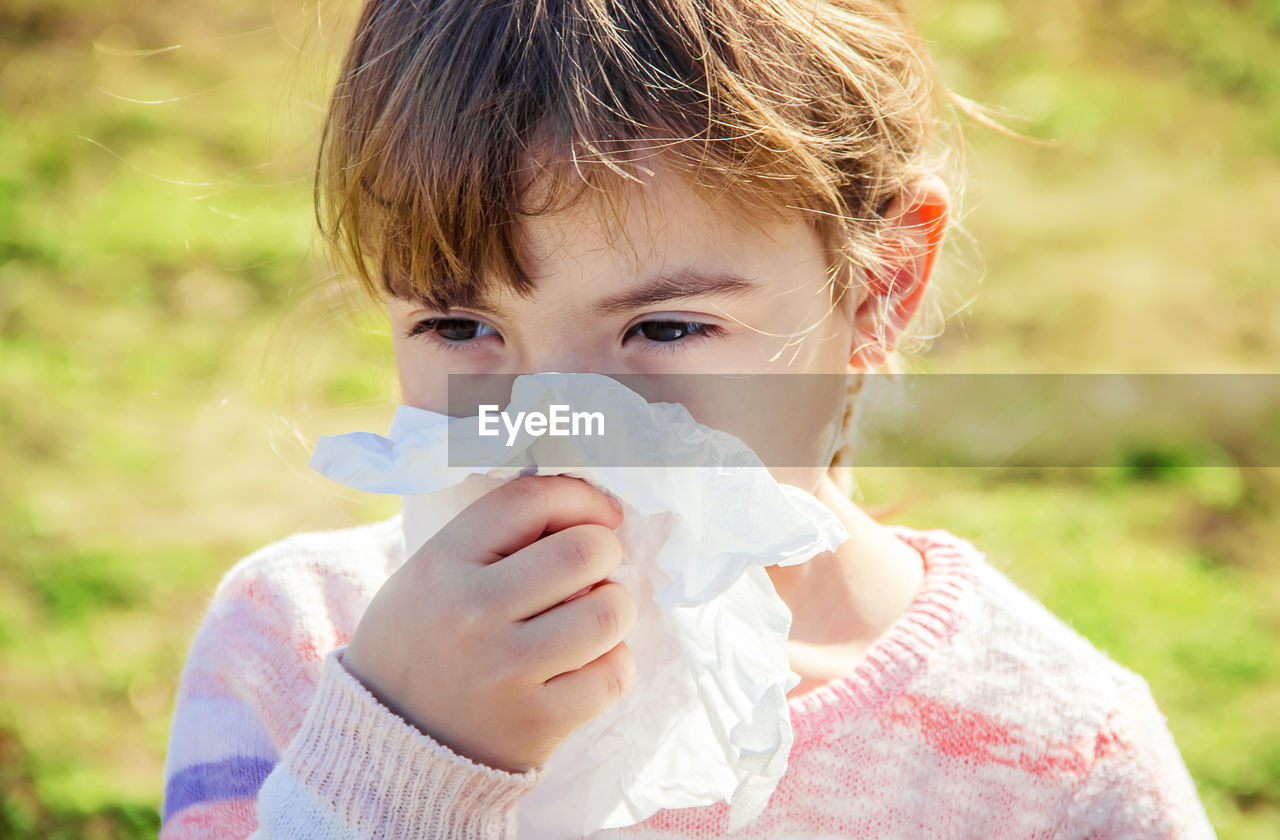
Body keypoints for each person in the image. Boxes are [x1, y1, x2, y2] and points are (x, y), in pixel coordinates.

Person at [159, 0, 1217, 837]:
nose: (557, 427)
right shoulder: (298, 646)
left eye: (664, 330)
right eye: (457, 326)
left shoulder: (1051, 763)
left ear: (880, 284)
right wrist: (400, 767)